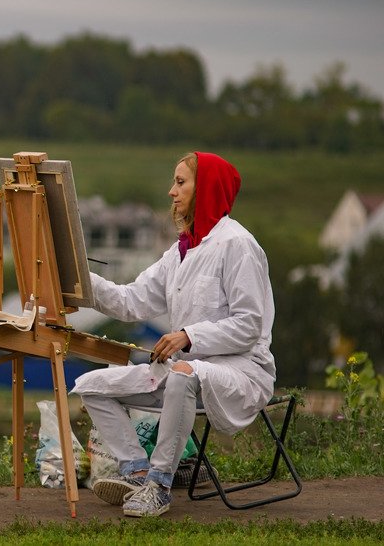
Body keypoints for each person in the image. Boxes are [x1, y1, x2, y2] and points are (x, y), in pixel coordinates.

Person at [71, 151, 275, 518]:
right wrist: (78, 279)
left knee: (183, 373)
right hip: (188, 373)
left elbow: (250, 326)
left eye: (181, 182)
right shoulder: (180, 251)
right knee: (90, 385)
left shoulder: (238, 245)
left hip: (242, 372)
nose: (171, 192)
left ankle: (160, 485)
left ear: (206, 189)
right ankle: (136, 470)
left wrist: (187, 336)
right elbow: (131, 301)